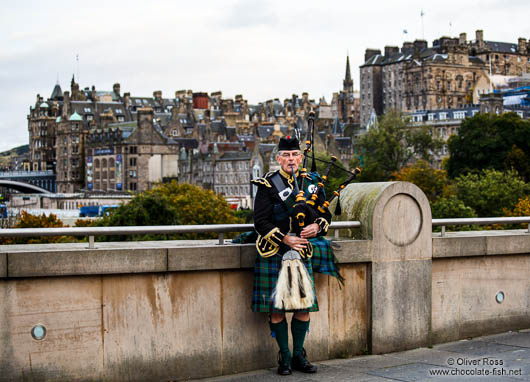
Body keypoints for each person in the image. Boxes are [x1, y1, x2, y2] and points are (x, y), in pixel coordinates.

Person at [251, 136, 332, 375]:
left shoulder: (313, 183)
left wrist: (317, 226)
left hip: (301, 252)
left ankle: (299, 356)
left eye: (294, 155)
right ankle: (284, 358)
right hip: (275, 251)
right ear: (278, 159)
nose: (290, 160)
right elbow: (260, 221)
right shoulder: (268, 184)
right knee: (276, 309)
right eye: (285, 155)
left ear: (301, 157)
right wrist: (285, 238)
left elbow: (326, 215)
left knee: (303, 307)